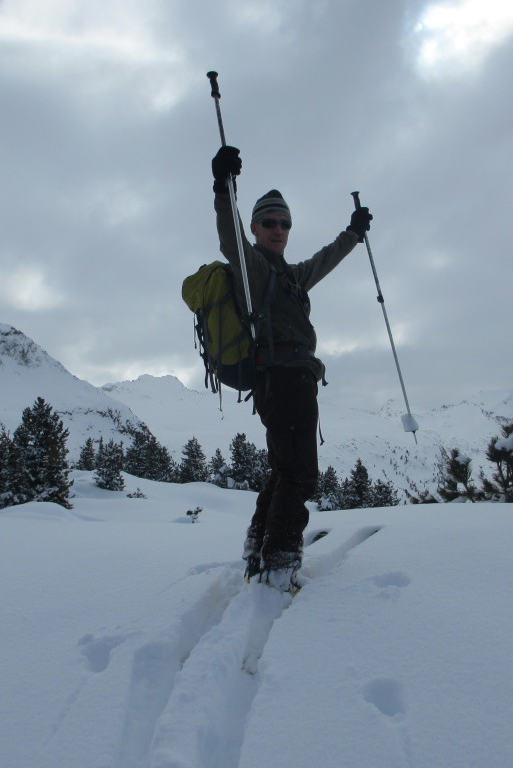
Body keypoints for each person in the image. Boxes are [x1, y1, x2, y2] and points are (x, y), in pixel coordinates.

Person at [210, 145, 373, 590]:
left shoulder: (290, 276)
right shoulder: (256, 270)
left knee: (284, 470)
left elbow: (325, 259)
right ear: (256, 227)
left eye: (284, 223)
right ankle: (280, 563)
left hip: (291, 379)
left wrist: (353, 234)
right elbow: (229, 240)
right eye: (269, 223)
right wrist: (224, 187)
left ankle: (257, 547)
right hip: (283, 379)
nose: (278, 229)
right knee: (300, 473)